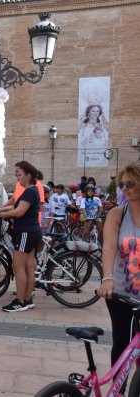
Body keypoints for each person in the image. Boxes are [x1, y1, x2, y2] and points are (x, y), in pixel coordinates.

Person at [98, 162, 140, 396]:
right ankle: (118, 390)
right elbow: (109, 248)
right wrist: (107, 278)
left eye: (131, 183)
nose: (125, 188)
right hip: (121, 292)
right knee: (122, 343)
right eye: (122, 184)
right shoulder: (117, 213)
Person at [0, 161, 42, 312]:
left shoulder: (30, 191)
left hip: (25, 232)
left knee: (18, 266)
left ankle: (20, 301)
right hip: (32, 231)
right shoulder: (31, 191)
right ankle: (28, 299)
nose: (17, 177)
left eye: (19, 174)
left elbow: (18, 212)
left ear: (28, 175)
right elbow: (15, 206)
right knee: (29, 267)